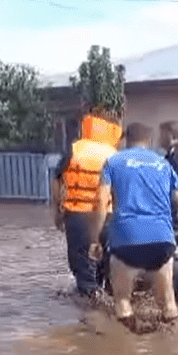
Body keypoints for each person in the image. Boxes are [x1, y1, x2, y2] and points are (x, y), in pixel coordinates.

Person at [103, 122, 178, 326]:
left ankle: (130, 349)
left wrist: (96, 238)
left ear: (125, 140)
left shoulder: (113, 162)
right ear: (148, 141)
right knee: (168, 302)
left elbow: (101, 204)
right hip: (162, 241)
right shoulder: (163, 164)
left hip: (126, 239)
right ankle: (174, 350)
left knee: (122, 300)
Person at [51, 113, 122, 299]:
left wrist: (58, 211)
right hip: (107, 216)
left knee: (82, 265)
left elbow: (57, 181)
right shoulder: (114, 154)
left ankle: (88, 315)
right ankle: (109, 303)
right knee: (107, 264)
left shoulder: (75, 149)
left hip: (78, 215)